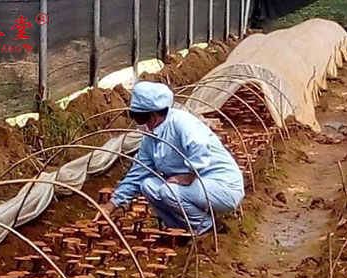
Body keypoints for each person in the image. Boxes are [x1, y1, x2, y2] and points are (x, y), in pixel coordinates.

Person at [94, 81, 245, 234]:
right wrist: (111, 205)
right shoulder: (150, 137)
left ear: (154, 116)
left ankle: (206, 228)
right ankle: (180, 230)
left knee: (168, 191)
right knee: (147, 185)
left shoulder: (181, 123)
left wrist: (188, 175)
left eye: (139, 119)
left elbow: (200, 145)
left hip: (221, 186)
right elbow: (138, 173)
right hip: (194, 188)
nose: (138, 124)